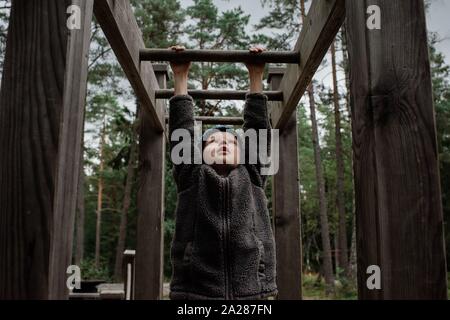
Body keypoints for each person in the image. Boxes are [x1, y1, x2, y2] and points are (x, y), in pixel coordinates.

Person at [168, 45, 277, 300]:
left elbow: (258, 128)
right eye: (213, 142)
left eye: (231, 141)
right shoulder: (192, 175)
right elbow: (181, 132)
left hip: (252, 291)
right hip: (197, 292)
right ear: (199, 154)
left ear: (245, 153)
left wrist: (256, 76)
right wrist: (181, 76)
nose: (224, 143)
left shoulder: (252, 174)